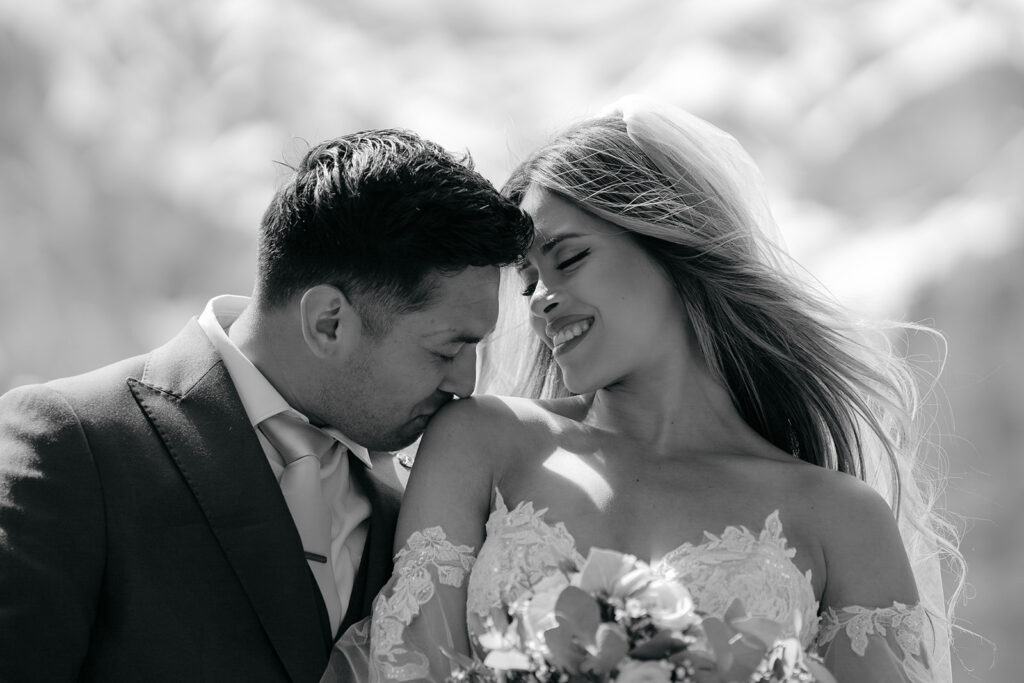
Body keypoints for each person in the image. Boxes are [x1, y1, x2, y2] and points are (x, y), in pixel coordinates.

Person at [326, 96, 964, 683]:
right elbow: (408, 664)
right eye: (527, 281)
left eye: (569, 258)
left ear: (670, 241)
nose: (542, 300)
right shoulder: (484, 440)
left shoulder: (840, 516)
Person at [0, 129, 533, 682]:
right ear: (329, 322)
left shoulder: (421, 510)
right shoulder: (74, 440)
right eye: (448, 349)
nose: (465, 383)